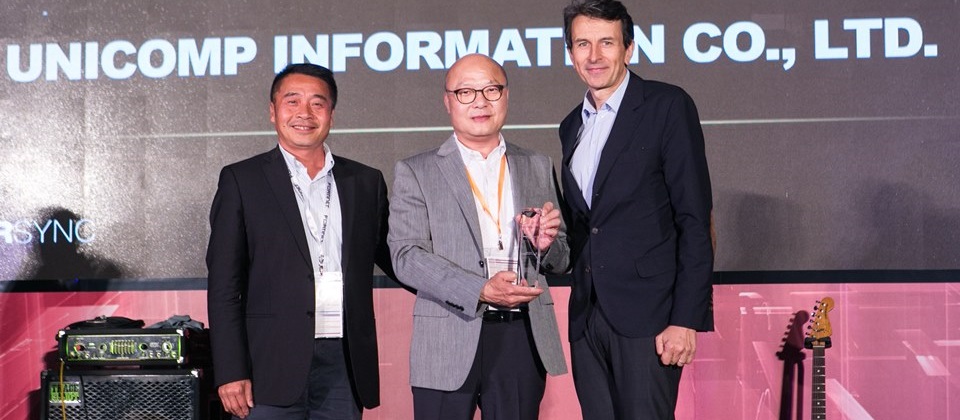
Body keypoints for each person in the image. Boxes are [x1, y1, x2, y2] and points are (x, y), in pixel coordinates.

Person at [206, 63, 393, 419]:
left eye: (317, 103)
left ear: (331, 114)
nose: (304, 113)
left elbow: (398, 257)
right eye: (292, 101)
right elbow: (224, 286)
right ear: (273, 111)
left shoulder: (365, 182)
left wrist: (467, 285)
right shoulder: (242, 180)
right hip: (268, 365)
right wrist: (231, 370)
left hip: (344, 363)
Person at [388, 53, 568, 420]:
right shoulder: (416, 170)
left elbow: (563, 256)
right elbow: (406, 256)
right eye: (466, 92)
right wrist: (479, 289)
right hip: (447, 333)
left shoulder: (537, 164)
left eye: (491, 90)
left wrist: (545, 245)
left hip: (521, 335)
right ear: (448, 101)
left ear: (506, 96)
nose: (480, 102)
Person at [558, 0, 715, 418]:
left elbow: (694, 219)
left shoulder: (667, 106)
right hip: (588, 319)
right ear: (571, 53)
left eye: (606, 42)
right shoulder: (571, 125)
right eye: (583, 44)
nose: (594, 55)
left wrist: (685, 319)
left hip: (651, 318)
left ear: (628, 48)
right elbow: (586, 226)